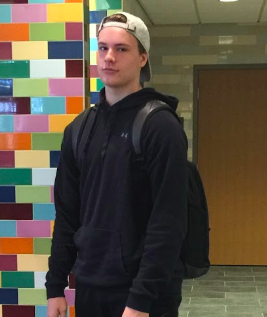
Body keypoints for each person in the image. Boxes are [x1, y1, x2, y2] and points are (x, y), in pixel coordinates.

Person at [45, 11, 188, 317]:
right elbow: (67, 214)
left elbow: (169, 220)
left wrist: (140, 300)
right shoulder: (79, 129)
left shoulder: (160, 126)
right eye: (103, 48)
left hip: (145, 295)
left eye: (121, 49)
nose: (109, 57)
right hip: (91, 287)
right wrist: (55, 285)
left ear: (142, 59)